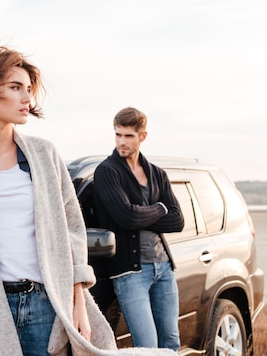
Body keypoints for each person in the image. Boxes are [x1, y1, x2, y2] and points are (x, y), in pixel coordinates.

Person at [0, 47, 176, 356]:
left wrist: (79, 305)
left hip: (46, 305)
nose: (26, 99)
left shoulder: (44, 155)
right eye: (15, 87)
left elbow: (73, 231)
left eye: (28, 90)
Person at [93, 107, 184, 352]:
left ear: (142, 136)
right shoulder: (107, 171)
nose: (122, 141)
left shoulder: (157, 174)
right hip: (130, 272)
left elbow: (177, 221)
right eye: (118, 135)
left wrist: (140, 212)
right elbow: (126, 217)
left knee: (170, 341)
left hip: (163, 267)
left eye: (128, 136)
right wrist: (160, 208)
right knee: (146, 346)